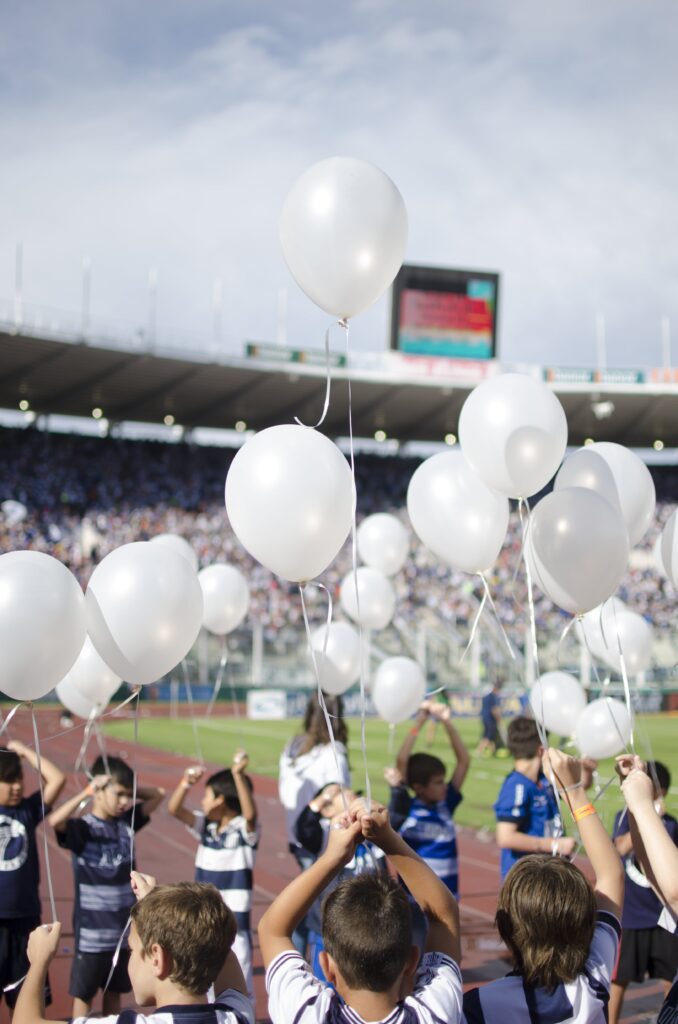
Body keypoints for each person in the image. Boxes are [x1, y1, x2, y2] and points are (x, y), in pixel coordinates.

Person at [258, 798, 463, 1024]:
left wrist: (332, 857)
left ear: (326, 966)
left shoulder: (307, 1015)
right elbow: (444, 915)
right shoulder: (434, 1014)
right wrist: (389, 840)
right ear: (412, 960)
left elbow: (273, 930)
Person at [463, 747, 625, 1024]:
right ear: (584, 922)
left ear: (504, 927)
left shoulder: (477, 1005)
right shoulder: (592, 981)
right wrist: (575, 791)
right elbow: (612, 875)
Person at [14, 871, 253, 1024]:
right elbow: (220, 949)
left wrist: (39, 962)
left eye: (131, 950)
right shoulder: (237, 1017)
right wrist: (155, 910)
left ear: (157, 958)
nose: (130, 959)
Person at [48, 754, 165, 1020]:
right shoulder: (82, 829)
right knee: (85, 993)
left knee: (114, 992)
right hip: (91, 934)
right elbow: (56, 821)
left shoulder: (127, 824)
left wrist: (127, 787)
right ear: (98, 790)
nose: (125, 801)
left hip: (124, 931)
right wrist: (89, 790)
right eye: (119, 794)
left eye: (129, 795)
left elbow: (158, 795)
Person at [168, 752, 258, 997]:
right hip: (205, 921)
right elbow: (174, 809)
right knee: (205, 988)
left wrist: (238, 774)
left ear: (221, 801)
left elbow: (250, 815)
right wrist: (186, 782)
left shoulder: (244, 831)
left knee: (238, 989)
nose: (203, 802)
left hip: (235, 925)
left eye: (207, 796)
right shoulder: (206, 828)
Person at [278, 693, 350, 954]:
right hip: (322, 839)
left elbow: (286, 794)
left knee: (303, 901)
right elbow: (343, 798)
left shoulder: (293, 746)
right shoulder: (334, 754)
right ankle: (319, 967)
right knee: (321, 910)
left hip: (295, 832)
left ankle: (299, 965)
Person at [608, 760, 678, 1024]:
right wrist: (642, 810)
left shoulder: (672, 824)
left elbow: (672, 889)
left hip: (663, 918)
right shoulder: (627, 818)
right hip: (635, 916)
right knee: (618, 979)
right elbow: (626, 850)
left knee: (668, 976)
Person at [0, 741, 65, 1013]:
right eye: (7, 781)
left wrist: (25, 752)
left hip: (26, 918)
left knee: (27, 997)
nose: (16, 787)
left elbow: (57, 779)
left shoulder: (26, 811)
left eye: (19, 780)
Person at [385, 699, 470, 899]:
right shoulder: (407, 807)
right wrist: (420, 722)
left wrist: (447, 723)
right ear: (419, 788)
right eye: (438, 782)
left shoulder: (445, 803)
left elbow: (464, 761)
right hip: (414, 898)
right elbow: (402, 761)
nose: (445, 786)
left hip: (447, 895)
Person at [494, 716, 575, 878]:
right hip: (527, 878)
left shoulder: (544, 779)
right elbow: (505, 837)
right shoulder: (517, 785)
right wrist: (553, 844)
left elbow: (575, 791)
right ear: (541, 750)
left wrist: (586, 769)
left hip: (549, 870)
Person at [476, 679, 507, 758]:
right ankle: (479, 751)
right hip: (490, 720)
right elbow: (494, 710)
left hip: (485, 719)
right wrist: (499, 719)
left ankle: (493, 751)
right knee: (488, 736)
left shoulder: (486, 696)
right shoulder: (494, 696)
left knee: (491, 736)